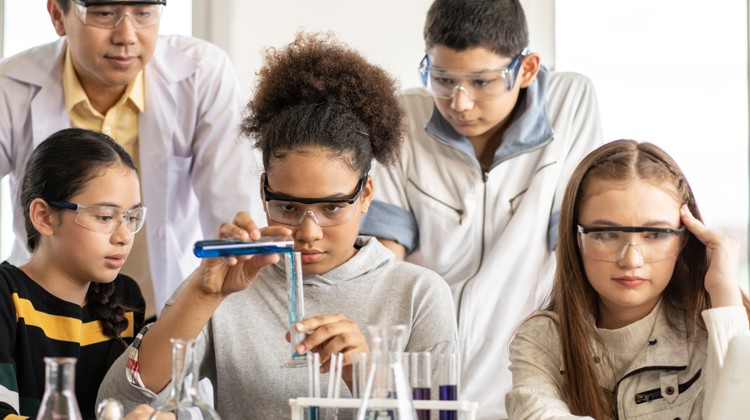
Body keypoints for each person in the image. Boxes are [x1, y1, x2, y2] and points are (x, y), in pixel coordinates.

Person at [96, 32, 458, 418]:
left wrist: (368, 376)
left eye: (333, 208)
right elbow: (115, 404)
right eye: (287, 206)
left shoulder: (418, 295)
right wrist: (203, 297)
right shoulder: (227, 286)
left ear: (366, 193)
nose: (308, 231)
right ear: (263, 189)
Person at [358, 0, 603, 416]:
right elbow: (386, 259)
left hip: (527, 376)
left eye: (482, 82)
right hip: (424, 379)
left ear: (525, 69)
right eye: (442, 79)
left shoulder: (569, 102)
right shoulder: (404, 117)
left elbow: (573, 249)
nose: (460, 103)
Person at [0, 0, 264, 318]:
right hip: (41, 312)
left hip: (158, 311)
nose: (126, 35)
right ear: (58, 15)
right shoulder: (9, 86)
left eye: (143, 13)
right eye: (104, 13)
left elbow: (232, 212)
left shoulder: (202, 74)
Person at [505, 140, 750, 419]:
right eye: (606, 234)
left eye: (655, 235)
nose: (631, 260)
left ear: (683, 241)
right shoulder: (542, 340)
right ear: (575, 240)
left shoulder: (710, 327)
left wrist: (724, 294)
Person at [0, 128, 147, 419]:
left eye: (131, 218)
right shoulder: (7, 296)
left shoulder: (126, 299)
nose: (124, 236)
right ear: (44, 216)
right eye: (105, 217)